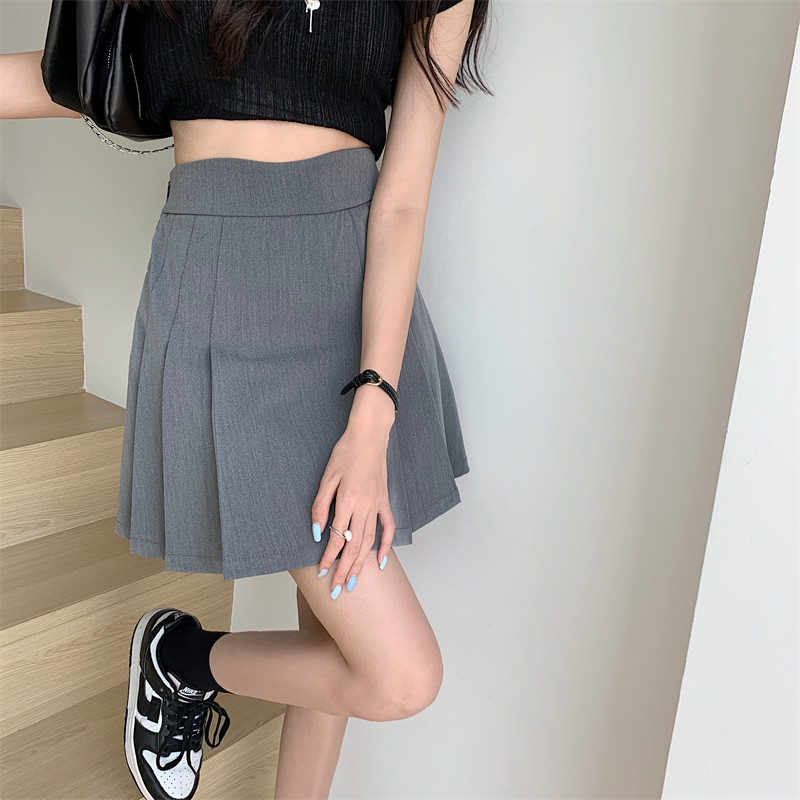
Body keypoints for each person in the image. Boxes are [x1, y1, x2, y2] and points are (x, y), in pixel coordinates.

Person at [2, 1, 491, 797]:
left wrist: (373, 411)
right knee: (401, 676)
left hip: (352, 302)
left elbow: (403, 197)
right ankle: (181, 660)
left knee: (335, 613)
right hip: (218, 283)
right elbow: (81, 73)